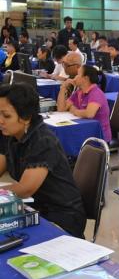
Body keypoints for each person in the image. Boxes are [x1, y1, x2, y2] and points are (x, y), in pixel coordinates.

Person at [0, 83, 86, 238]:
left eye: (6, 116)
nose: (0, 121)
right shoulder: (10, 134)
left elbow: (26, 189)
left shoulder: (43, 141)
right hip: (35, 207)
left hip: (62, 215)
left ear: (26, 117)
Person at [57, 65, 111, 142]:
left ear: (85, 78)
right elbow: (61, 109)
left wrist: (74, 110)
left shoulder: (96, 93)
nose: (75, 77)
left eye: (78, 74)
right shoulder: (79, 92)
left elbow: (89, 114)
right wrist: (63, 88)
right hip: (84, 131)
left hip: (99, 137)